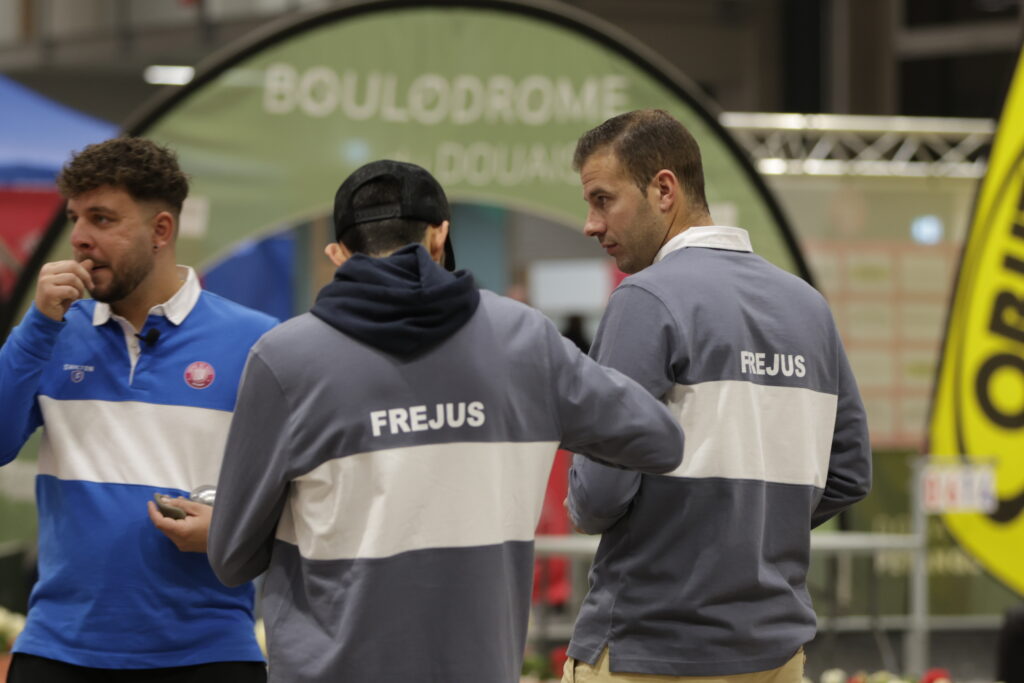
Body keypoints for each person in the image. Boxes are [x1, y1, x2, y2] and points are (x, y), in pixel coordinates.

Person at [206, 159, 685, 683]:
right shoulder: (523, 340)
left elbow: (231, 558)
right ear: (439, 236)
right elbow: (660, 441)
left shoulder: (284, 360)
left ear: (338, 255)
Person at [562, 109, 872, 682]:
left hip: (652, 647)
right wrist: (750, 533)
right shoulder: (808, 307)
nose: (591, 224)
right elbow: (849, 473)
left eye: (603, 200)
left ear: (664, 190)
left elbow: (598, 495)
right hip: (776, 655)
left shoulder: (645, 301)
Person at [0, 137, 275, 682]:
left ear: (161, 230)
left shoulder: (259, 342)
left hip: (209, 653)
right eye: (76, 218)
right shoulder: (49, 333)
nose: (80, 237)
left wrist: (232, 531)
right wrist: (35, 327)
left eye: (102, 219)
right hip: (58, 650)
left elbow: (302, 497)